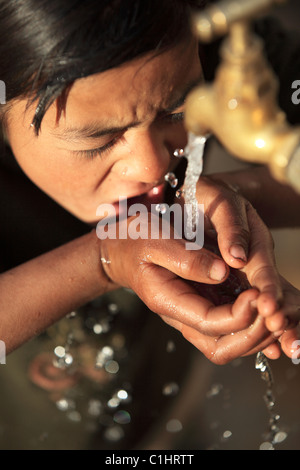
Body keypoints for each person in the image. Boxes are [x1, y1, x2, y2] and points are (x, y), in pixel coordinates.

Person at [0, 0, 299, 366]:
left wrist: (237, 199)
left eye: (177, 113)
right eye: (101, 141)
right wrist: (105, 260)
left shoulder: (215, 39)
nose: (154, 165)